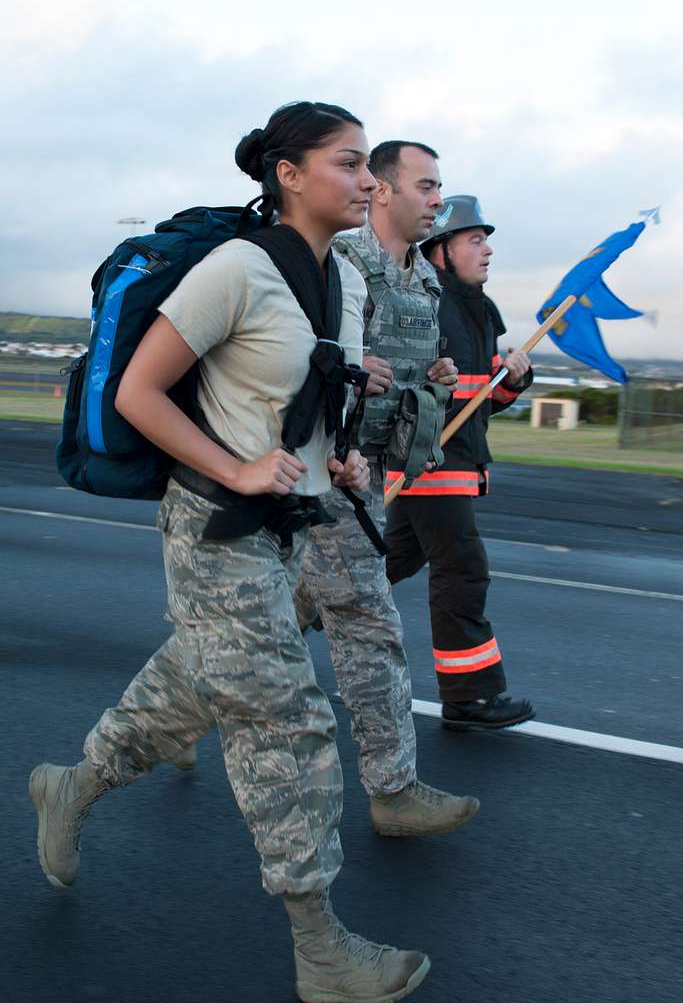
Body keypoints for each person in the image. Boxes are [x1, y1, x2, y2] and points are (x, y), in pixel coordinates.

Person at [28, 102, 434, 1003]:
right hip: (211, 530)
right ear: (287, 173)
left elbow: (313, 397)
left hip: (290, 529)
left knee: (186, 690)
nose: (367, 181)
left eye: (371, 165)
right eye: (348, 162)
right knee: (285, 719)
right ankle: (319, 945)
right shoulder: (236, 269)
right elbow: (140, 392)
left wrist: (347, 457)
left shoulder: (348, 284)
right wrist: (236, 469)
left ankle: (71, 785)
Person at [295, 141, 480, 833]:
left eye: (439, 186)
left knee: (274, 624)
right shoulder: (340, 268)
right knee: (370, 622)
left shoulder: (423, 284)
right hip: (319, 475)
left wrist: (424, 383)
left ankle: (170, 712)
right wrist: (344, 370)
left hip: (367, 475)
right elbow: (287, 364)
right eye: (427, 185)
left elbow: (399, 384)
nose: (437, 199)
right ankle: (392, 789)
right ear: (382, 191)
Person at [384, 195, 536, 730]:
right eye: (476, 239)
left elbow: (482, 393)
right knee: (462, 568)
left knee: (386, 561)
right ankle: (468, 696)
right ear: (441, 250)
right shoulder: (423, 301)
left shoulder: (479, 308)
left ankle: (289, 615)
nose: (488, 249)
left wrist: (513, 380)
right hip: (429, 462)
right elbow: (414, 386)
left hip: (458, 459)